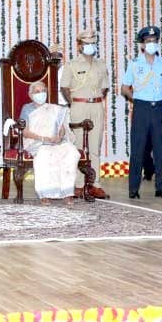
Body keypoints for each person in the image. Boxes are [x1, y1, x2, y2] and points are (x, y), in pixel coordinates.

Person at [120, 25, 162, 199]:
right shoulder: (135, 64)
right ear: (142, 45)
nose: (152, 44)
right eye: (148, 41)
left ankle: (161, 188)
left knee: (159, 149)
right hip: (142, 108)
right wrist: (135, 98)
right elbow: (124, 88)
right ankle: (133, 189)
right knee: (138, 148)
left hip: (159, 107)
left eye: (154, 41)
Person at [59, 29, 109, 199]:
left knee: (95, 147)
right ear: (79, 46)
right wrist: (73, 103)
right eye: (86, 44)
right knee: (78, 146)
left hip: (96, 106)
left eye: (92, 43)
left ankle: (95, 184)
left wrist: (94, 99)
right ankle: (79, 184)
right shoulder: (71, 65)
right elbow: (64, 87)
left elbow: (104, 87)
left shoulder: (101, 64)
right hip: (78, 106)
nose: (89, 46)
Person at [20, 81, 77, 204]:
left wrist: (59, 137)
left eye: (43, 91)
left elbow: (61, 128)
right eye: (37, 92)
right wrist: (43, 138)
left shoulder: (54, 109)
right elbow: (24, 131)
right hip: (37, 141)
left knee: (71, 151)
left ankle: (67, 192)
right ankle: (44, 194)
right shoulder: (27, 108)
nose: (41, 94)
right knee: (44, 154)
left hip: (55, 141)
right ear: (31, 95)